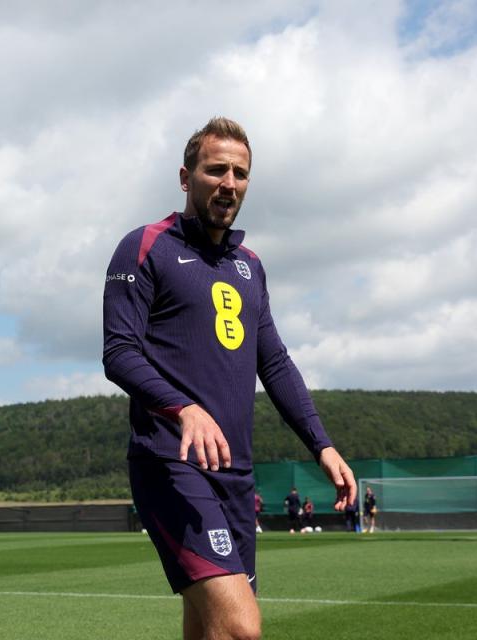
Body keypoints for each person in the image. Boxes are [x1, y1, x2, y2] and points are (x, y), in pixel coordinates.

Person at [103, 116, 357, 640]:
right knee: (241, 627)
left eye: (240, 173)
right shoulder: (145, 246)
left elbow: (276, 363)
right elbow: (119, 352)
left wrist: (322, 445)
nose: (229, 183)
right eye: (216, 169)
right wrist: (183, 408)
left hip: (237, 477)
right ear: (185, 176)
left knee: (208, 629)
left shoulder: (250, 265)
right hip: (171, 463)